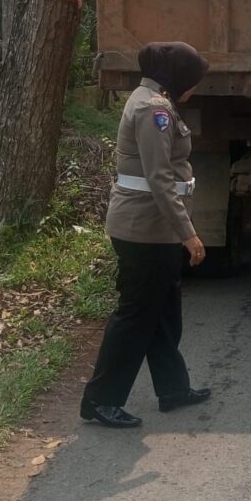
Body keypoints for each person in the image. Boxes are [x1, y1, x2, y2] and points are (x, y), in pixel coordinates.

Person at [80, 42, 212, 428]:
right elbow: (159, 178)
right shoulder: (154, 109)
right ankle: (101, 400)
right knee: (136, 316)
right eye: (194, 80)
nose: (195, 88)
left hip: (154, 229)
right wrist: (189, 234)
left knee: (164, 314)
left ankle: (173, 389)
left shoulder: (152, 99)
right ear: (178, 76)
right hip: (144, 230)